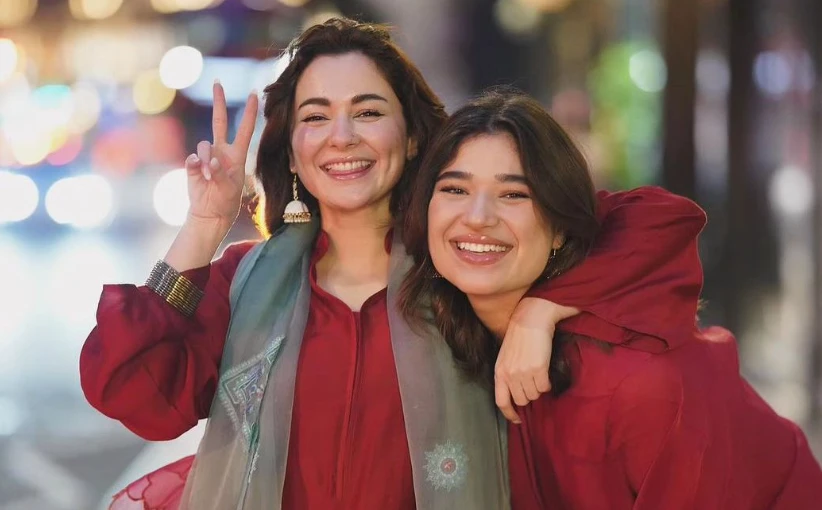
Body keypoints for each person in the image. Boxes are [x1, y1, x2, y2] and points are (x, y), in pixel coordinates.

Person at [84, 19, 705, 510]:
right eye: (316, 116)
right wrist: (204, 227)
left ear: (411, 140)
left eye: (369, 111)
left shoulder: (469, 267)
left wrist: (541, 309)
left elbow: (660, 223)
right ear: (293, 154)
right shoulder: (242, 284)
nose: (343, 135)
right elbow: (132, 392)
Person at [400, 87, 822, 509]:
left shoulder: (633, 383)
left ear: (560, 229)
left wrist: (540, 309)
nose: (477, 218)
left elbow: (660, 215)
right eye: (455, 189)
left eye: (514, 194)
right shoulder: (443, 333)